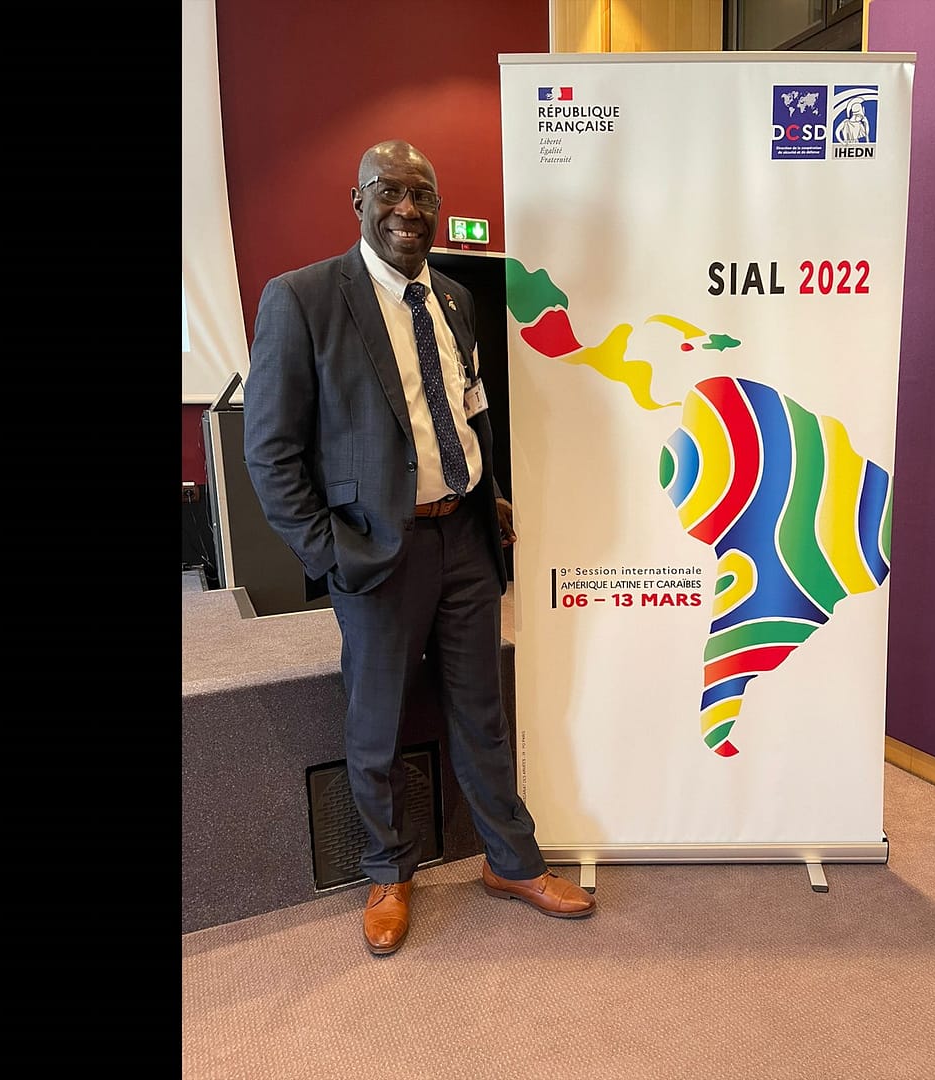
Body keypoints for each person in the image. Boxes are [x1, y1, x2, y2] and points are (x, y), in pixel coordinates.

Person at [243, 139, 596, 956]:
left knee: (483, 713)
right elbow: (270, 451)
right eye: (390, 192)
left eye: (423, 196)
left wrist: (485, 488)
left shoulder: (456, 298)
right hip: (375, 552)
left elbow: (463, 406)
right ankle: (387, 872)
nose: (408, 210)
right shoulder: (302, 299)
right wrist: (329, 553)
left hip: (465, 538)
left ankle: (510, 861)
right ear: (358, 201)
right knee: (377, 724)